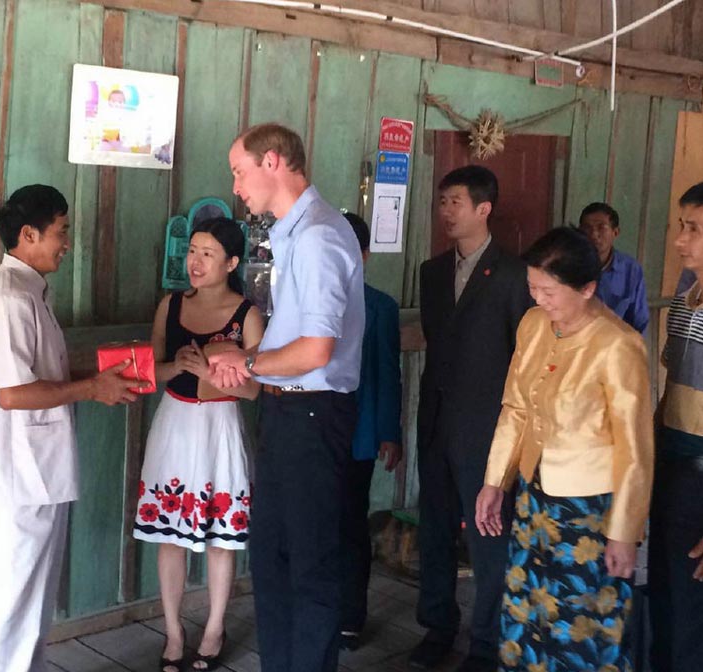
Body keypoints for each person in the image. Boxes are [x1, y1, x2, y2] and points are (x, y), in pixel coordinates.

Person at [0, 184, 144, 672]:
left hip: (34, 474)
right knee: (10, 606)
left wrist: (98, 381)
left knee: (29, 605)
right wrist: (91, 389)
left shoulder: (28, 293)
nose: (67, 243)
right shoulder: (9, 301)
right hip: (19, 478)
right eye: (61, 232)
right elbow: (13, 394)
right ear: (27, 234)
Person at [208, 122, 365, 672]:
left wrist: (247, 361)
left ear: (272, 161)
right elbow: (290, 345)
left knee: (309, 566)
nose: (236, 186)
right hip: (285, 411)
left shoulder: (321, 234)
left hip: (312, 416)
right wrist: (248, 368)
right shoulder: (291, 234)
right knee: (273, 562)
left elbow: (317, 350)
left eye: (239, 171)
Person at [475, 226, 654, 672]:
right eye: (533, 288)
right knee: (525, 611)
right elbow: (515, 408)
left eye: (550, 291)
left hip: (588, 512)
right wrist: (495, 481)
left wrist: (624, 531)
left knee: (578, 623)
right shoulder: (535, 326)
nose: (539, 300)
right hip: (536, 500)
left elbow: (636, 450)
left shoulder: (618, 346)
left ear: (588, 289)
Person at [413, 166, 532, 672]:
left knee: (488, 540)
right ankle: (438, 626)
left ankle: (486, 642)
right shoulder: (432, 271)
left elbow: (520, 360)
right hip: (437, 422)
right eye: (442, 201)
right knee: (435, 531)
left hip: (486, 431)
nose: (446, 211)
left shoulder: (513, 274)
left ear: (484, 209)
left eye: (455, 201)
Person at [133, 217, 264, 672]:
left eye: (208, 253)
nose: (196, 261)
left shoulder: (247, 314)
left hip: (220, 426)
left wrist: (211, 373)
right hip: (174, 422)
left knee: (219, 539)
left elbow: (255, 389)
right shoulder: (170, 305)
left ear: (231, 262)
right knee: (167, 534)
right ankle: (173, 632)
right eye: (192, 251)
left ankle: (213, 629)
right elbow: (150, 371)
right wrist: (177, 366)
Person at [339, 212, 403, 651]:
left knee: (349, 525)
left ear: (363, 255)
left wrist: (390, 432)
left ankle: (349, 615)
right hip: (311, 433)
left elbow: (387, 373)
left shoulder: (380, 306)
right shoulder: (301, 295)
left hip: (357, 432)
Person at [649, 181, 703, 671]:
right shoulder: (689, 290)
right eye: (681, 226)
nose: (680, 240)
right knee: (664, 590)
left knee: (691, 610)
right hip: (673, 454)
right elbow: (674, 381)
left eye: (693, 230)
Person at [578, 202, 650, 333]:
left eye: (601, 227)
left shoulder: (631, 270)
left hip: (614, 347)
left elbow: (638, 322)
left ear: (615, 232)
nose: (594, 234)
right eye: (587, 228)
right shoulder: (567, 266)